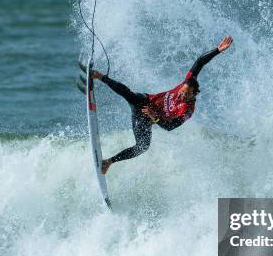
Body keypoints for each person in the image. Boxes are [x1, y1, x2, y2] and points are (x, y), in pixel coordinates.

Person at [91, 36, 233, 175]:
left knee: (142, 147)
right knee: (129, 94)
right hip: (145, 101)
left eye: (186, 94)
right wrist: (217, 50)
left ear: (194, 94)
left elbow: (170, 127)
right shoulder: (188, 81)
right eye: (182, 91)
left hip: (147, 119)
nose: (181, 95)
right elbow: (200, 62)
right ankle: (100, 76)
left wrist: (155, 117)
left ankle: (108, 162)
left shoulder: (188, 111)